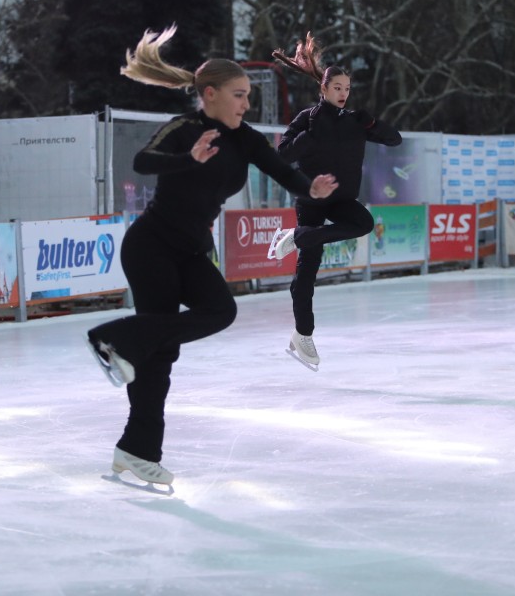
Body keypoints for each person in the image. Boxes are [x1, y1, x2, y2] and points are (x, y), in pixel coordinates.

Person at [86, 25, 338, 486]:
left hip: (191, 249)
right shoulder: (187, 129)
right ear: (210, 95)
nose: (246, 103)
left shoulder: (246, 139)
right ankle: (138, 446)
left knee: (219, 312)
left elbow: (282, 171)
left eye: (246, 96)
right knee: (160, 357)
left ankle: (120, 347)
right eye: (238, 95)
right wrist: (190, 160)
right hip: (152, 246)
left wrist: (313, 189)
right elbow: (142, 163)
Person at [267, 33, 401, 369]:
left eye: (347, 88)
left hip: (342, 199)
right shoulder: (308, 118)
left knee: (364, 222)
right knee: (307, 272)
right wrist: (309, 137)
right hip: (311, 200)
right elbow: (282, 155)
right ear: (323, 89)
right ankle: (302, 335)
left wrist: (372, 122)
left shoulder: (355, 121)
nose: (343, 93)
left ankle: (298, 237)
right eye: (337, 87)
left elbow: (394, 139)